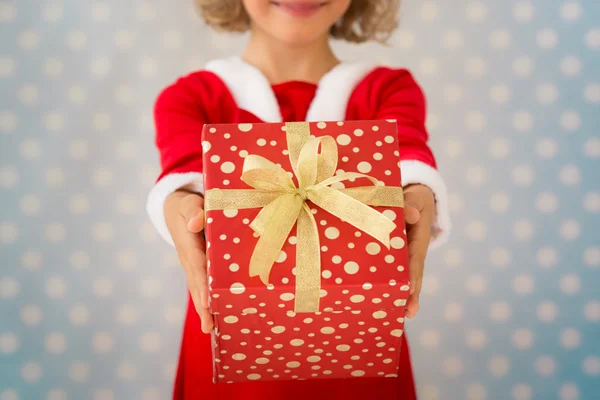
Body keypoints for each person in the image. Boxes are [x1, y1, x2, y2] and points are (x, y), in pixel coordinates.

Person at [146, 1, 451, 398]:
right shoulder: (191, 97)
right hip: (231, 349)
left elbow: (409, 157)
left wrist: (419, 193)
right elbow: (183, 178)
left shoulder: (387, 90)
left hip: (360, 351)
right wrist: (177, 204)